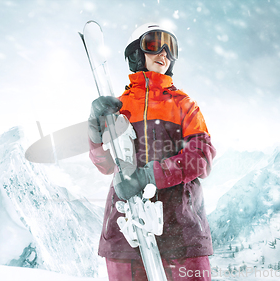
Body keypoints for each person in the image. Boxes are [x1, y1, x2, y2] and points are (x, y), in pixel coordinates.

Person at [88, 23, 216, 281]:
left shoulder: (183, 105)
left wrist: (150, 176)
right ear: (136, 52)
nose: (165, 53)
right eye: (154, 43)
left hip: (181, 231)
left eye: (171, 48)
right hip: (126, 230)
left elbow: (201, 156)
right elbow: (104, 164)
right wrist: (94, 130)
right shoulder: (118, 108)